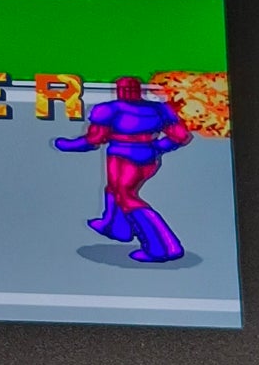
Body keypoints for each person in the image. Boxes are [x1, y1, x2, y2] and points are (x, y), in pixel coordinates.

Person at [54, 75, 191, 262]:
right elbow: (180, 136)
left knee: (126, 196)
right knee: (115, 190)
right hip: (147, 157)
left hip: (123, 157)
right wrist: (156, 148)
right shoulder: (158, 109)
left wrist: (67, 145)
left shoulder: (109, 109)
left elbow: (93, 140)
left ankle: (162, 247)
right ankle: (117, 227)